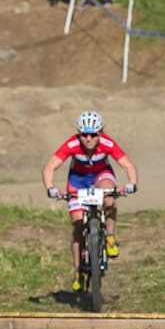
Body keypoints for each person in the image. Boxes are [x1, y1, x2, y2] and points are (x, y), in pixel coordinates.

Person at [41, 110, 138, 291]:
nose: (88, 139)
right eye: (84, 134)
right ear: (78, 134)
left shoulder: (107, 143)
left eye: (93, 134)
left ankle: (109, 237)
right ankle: (78, 270)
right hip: (77, 182)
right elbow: (49, 167)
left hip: (101, 176)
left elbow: (128, 165)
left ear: (100, 133)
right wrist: (50, 188)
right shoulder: (71, 144)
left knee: (109, 194)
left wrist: (132, 183)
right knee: (77, 225)